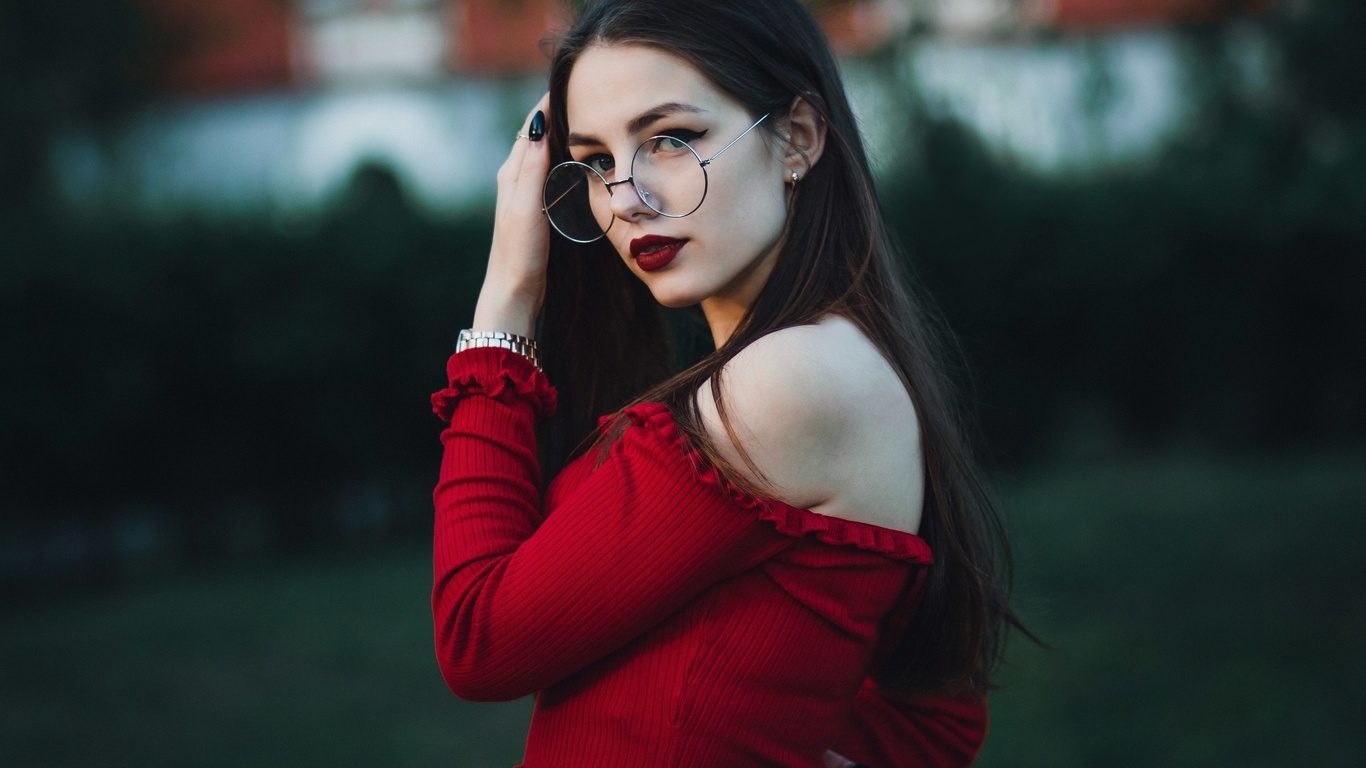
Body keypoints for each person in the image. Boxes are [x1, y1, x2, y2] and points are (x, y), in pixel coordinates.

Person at [430, 1, 1025, 765]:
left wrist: (505, 304)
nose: (624, 199)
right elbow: (935, 718)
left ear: (798, 138)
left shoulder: (790, 381)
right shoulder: (830, 365)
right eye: (598, 161)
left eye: (670, 139)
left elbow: (478, 638)